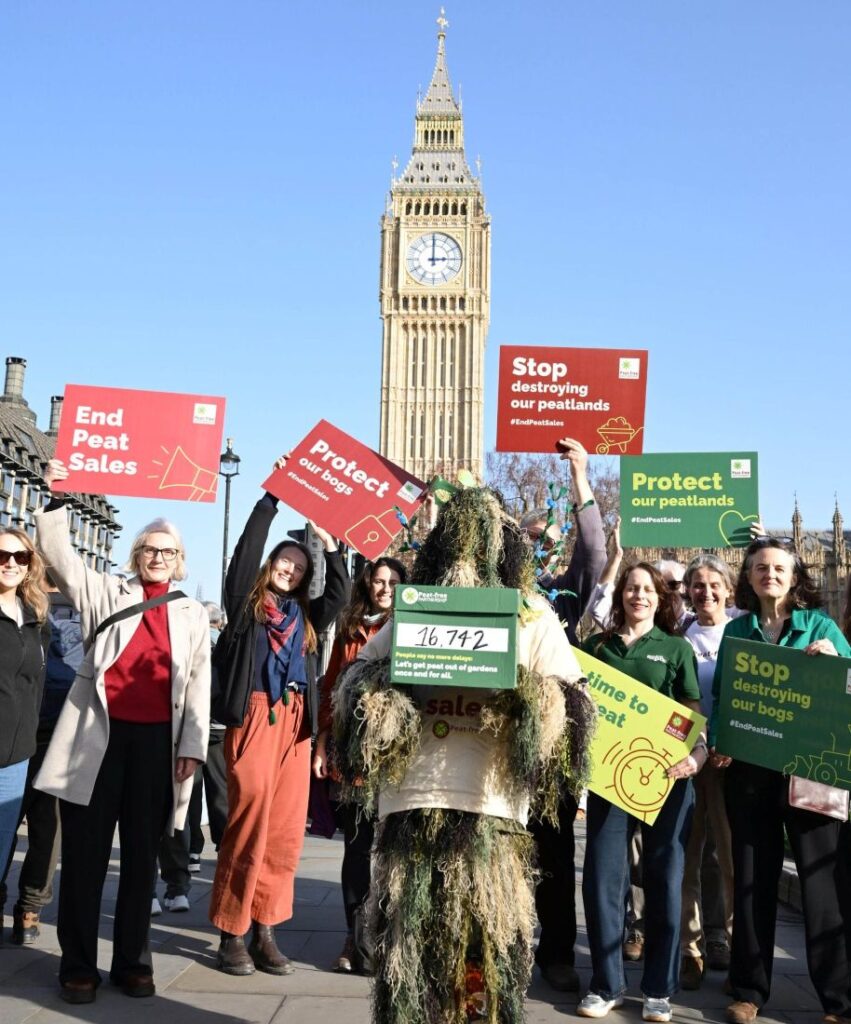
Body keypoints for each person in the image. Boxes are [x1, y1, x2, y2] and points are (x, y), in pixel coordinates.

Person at [335, 487, 597, 1024]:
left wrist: (524, 692)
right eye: (456, 537)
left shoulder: (531, 616)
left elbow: (577, 707)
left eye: (482, 541)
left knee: (482, 961)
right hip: (413, 804)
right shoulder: (412, 612)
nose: (467, 554)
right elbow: (353, 683)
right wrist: (389, 694)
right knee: (410, 961)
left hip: (492, 812)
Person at [33, 458, 210, 1004]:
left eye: (169, 551)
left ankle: (134, 962)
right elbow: (59, 556)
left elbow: (199, 684)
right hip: (98, 739)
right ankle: (77, 966)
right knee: (84, 857)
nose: (159, 557)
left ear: (181, 563)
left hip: (158, 744)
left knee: (140, 858)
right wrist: (58, 495)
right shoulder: (106, 592)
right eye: (150, 548)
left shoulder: (191, 613)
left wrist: (192, 751)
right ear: (136, 555)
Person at [209, 456, 349, 977]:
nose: (290, 569)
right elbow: (244, 554)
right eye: (283, 562)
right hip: (254, 717)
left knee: (287, 830)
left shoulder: (306, 618)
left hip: (294, 726)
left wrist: (330, 547)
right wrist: (271, 497)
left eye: (298, 566)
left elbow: (340, 594)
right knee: (247, 824)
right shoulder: (247, 606)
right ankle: (232, 930)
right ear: (270, 567)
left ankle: (266, 928)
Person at [709, 538, 851, 1024]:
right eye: (760, 568)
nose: (770, 574)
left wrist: (834, 660)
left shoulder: (820, 625)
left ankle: (838, 1000)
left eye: (779, 568)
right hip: (751, 771)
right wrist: (723, 738)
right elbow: (725, 695)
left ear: (795, 577)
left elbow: (848, 690)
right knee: (752, 878)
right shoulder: (738, 632)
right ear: (747, 578)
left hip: (810, 771)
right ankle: (749, 991)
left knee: (822, 883)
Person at [578, 562, 704, 1023]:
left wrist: (693, 754)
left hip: (667, 779)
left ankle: (658, 991)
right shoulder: (597, 647)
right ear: (621, 596)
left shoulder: (675, 648)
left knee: (665, 882)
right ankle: (606, 984)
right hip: (610, 781)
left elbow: (689, 712)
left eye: (647, 589)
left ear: (660, 598)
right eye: (631, 588)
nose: (639, 595)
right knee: (602, 880)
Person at [519, 436, 606, 993]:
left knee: (552, 847)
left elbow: (595, 553)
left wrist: (579, 478)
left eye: (545, 542)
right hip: (492, 735)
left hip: (551, 739)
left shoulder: (566, 597)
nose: (536, 550)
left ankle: (555, 953)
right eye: (527, 541)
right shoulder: (493, 594)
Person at [312, 555, 407, 974]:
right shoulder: (350, 629)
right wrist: (323, 740)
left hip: (399, 757)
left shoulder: (412, 626)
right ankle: (356, 938)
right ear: (368, 585)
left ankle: (391, 937)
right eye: (379, 581)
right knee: (356, 849)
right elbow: (332, 685)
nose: (384, 588)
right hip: (353, 756)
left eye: (393, 582)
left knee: (394, 851)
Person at [0, 573, 81, 945]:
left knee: (48, 827)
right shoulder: (21, 603)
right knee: (6, 822)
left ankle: (30, 906)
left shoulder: (84, 599)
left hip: (60, 732)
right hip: (16, 727)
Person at [677, 554, 737, 989]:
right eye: (697, 584)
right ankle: (690, 948)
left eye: (714, 584)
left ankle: (727, 938)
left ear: (729, 589)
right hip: (687, 757)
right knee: (687, 856)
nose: (706, 591)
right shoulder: (678, 633)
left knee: (731, 856)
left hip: (733, 759)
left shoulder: (745, 632)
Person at [0, 528, 48, 941]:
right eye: (2, 555)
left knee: (1, 852)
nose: (11, 562)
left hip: (16, 757)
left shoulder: (33, 617)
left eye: (21, 556)